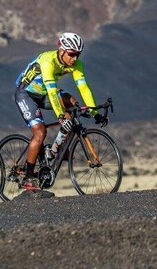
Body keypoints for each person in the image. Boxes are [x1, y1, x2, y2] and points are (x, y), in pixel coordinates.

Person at [14, 32, 97, 191]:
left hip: (43, 93)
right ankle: (29, 175)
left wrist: (94, 112)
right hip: (26, 94)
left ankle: (58, 149)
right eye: (72, 54)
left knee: (73, 103)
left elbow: (84, 88)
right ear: (62, 50)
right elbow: (52, 92)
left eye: (78, 55)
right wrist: (60, 115)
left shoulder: (75, 64)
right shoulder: (48, 61)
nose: (74, 58)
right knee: (40, 132)